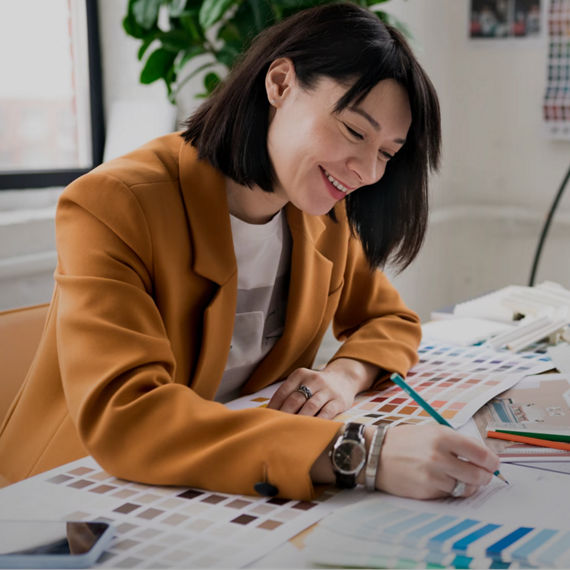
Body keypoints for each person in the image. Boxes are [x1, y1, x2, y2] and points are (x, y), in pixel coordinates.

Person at [0, 3, 500, 501]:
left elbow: (389, 320)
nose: (367, 171)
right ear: (280, 84)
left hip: (221, 487)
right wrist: (362, 451)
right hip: (78, 491)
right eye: (354, 131)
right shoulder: (115, 203)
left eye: (387, 153)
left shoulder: (322, 208)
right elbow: (129, 416)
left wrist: (344, 377)